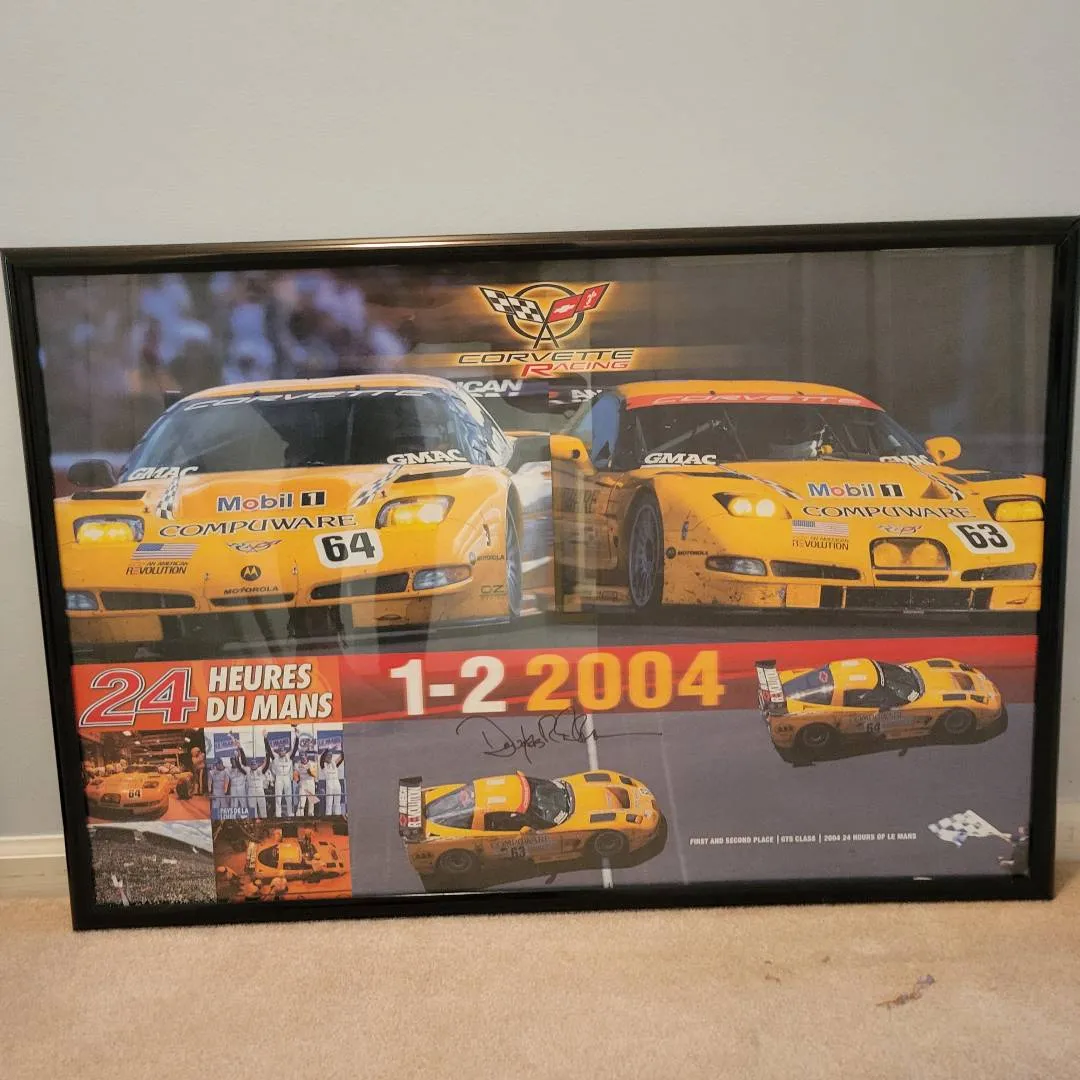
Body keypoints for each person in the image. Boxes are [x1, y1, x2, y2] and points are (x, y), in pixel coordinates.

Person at [232, 736, 270, 819]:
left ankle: (264, 820)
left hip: (260, 790)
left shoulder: (260, 770)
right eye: (252, 764)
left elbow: (267, 764)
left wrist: (267, 754)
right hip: (251, 791)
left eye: (254, 764)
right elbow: (240, 766)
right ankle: (254, 822)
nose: (253, 766)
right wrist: (236, 758)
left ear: (257, 764)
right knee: (253, 809)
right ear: (251, 765)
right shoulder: (248, 770)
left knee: (263, 808)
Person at [266, 727, 299, 818]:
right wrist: (265, 738)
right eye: (280, 751)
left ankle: (290, 813)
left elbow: (295, 748)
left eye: (283, 750)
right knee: (278, 797)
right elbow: (268, 749)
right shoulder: (275, 757)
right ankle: (278, 814)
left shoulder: (289, 756)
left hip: (287, 778)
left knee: (289, 797)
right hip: (279, 778)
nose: (282, 752)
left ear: (285, 751)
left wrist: (297, 737)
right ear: (279, 751)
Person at [320, 744, 345, 817]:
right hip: (329, 784)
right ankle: (328, 817)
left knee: (337, 802)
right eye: (328, 756)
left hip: (337, 784)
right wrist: (327, 749)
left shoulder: (334, 763)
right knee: (329, 802)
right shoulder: (323, 765)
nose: (329, 757)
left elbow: (342, 757)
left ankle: (338, 816)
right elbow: (322, 758)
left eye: (330, 756)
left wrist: (343, 749)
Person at [295, 748, 318, 818]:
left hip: (311, 783)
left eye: (303, 756)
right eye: (301, 756)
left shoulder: (312, 763)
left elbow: (314, 774)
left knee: (311, 802)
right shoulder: (297, 764)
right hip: (303, 783)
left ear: (306, 756)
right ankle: (299, 816)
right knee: (302, 801)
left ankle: (311, 816)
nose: (303, 758)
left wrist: (308, 769)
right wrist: (298, 782)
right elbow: (295, 775)